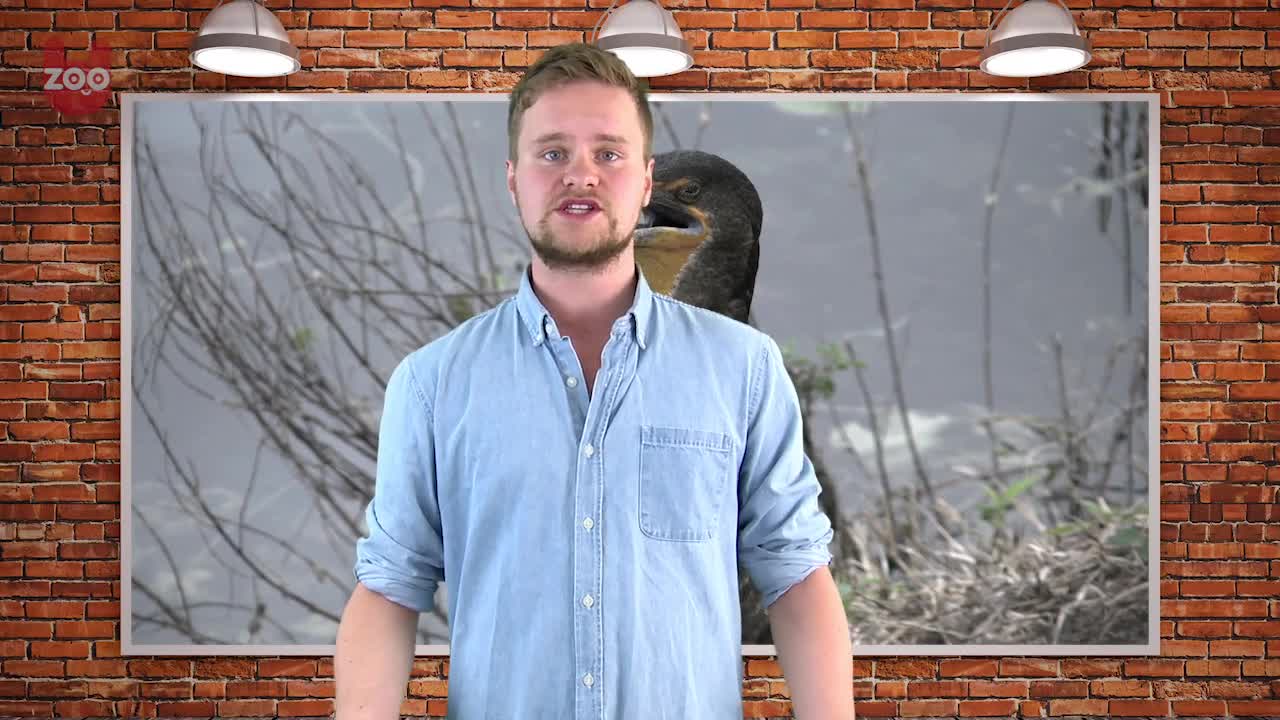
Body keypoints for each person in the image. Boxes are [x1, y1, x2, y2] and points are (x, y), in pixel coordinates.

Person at [334, 42, 854, 720]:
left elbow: (798, 578)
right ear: (513, 178)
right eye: (553, 153)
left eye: (608, 153)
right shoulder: (433, 382)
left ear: (641, 181)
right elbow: (388, 589)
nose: (581, 175)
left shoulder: (744, 369)